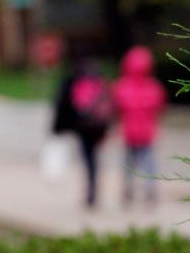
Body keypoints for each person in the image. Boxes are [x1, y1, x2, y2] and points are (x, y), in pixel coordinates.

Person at [52, 59, 112, 208]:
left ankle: (91, 190)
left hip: (84, 128)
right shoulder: (101, 84)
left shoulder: (77, 83)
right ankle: (93, 187)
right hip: (98, 128)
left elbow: (69, 106)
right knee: (94, 159)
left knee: (88, 158)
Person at [112, 46, 167, 205]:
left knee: (128, 165)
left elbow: (116, 109)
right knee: (148, 164)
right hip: (147, 133)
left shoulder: (122, 86)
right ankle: (150, 191)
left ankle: (128, 192)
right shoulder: (153, 87)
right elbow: (160, 109)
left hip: (129, 133)